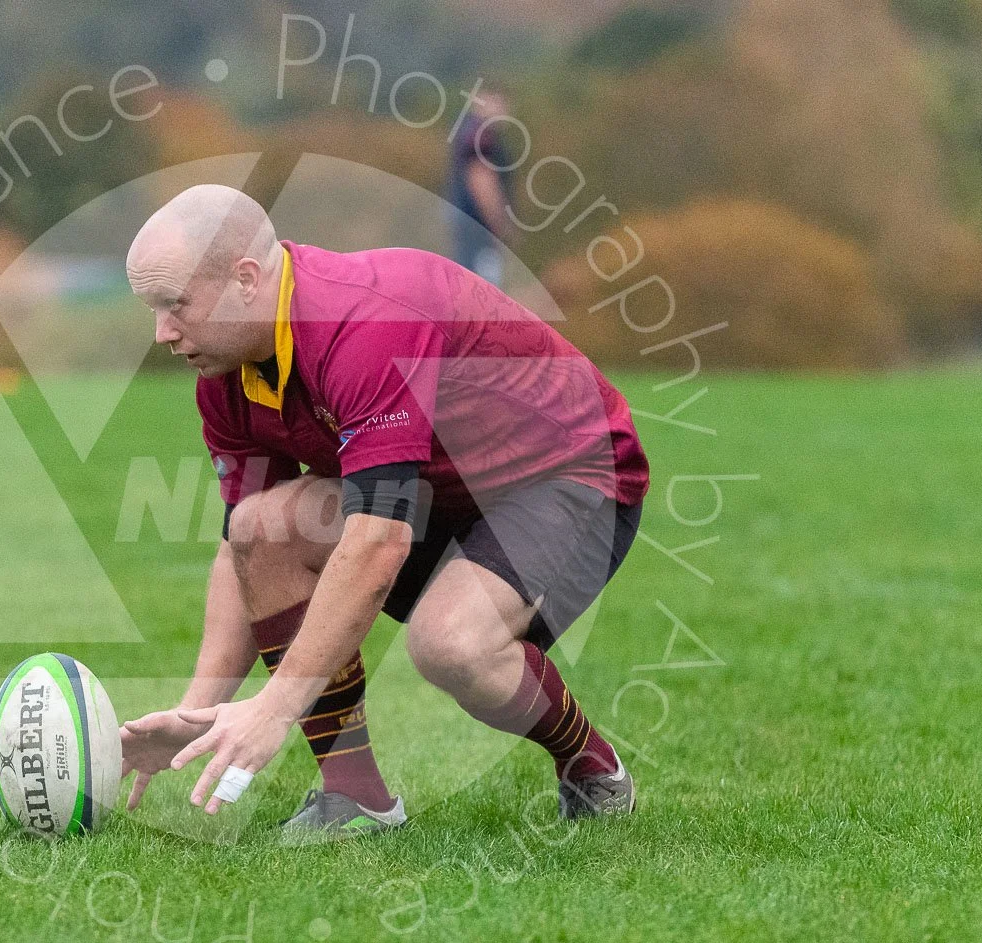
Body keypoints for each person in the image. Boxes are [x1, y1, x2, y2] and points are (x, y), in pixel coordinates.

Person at [120, 184, 649, 840]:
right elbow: (244, 551)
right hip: (435, 493)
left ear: (246, 278)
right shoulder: (225, 380)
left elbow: (377, 543)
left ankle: (589, 766)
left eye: (175, 306)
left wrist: (276, 707)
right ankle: (355, 800)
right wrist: (196, 714)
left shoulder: (359, 323)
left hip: (565, 476)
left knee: (451, 644)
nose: (162, 332)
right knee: (263, 525)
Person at [448, 90, 518, 286]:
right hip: (478, 227)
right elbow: (482, 181)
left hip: (466, 223)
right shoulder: (481, 135)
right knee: (483, 289)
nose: (504, 110)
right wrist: (500, 225)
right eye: (498, 103)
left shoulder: (470, 130)